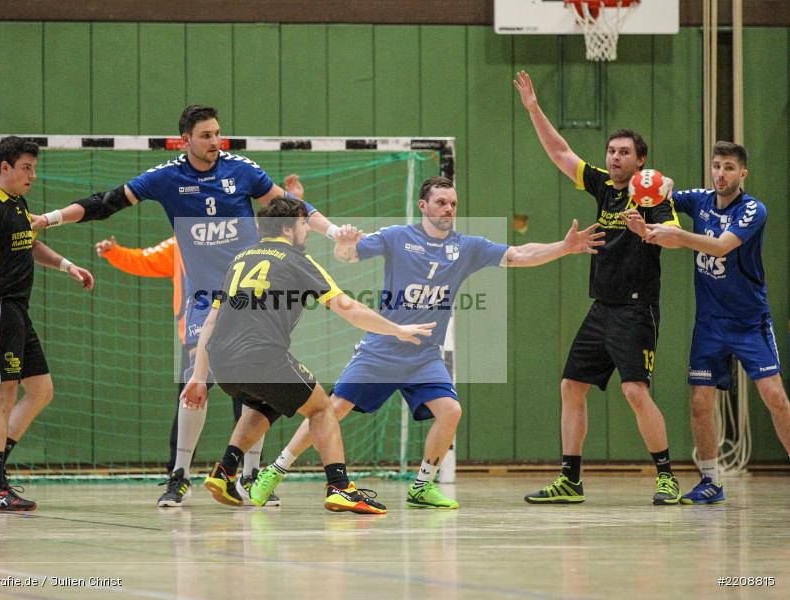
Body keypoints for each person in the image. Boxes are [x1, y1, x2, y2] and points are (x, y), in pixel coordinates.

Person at [32, 105, 344, 508]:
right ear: (185, 140)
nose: (215, 141)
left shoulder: (242, 171)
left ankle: (249, 476)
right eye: (206, 135)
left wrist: (335, 232)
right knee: (194, 381)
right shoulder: (166, 178)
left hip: (252, 296)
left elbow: (293, 207)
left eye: (217, 133)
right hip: (204, 299)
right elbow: (106, 202)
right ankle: (179, 476)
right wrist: (50, 219)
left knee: (258, 386)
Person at [251, 176, 605, 509]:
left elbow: (520, 254)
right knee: (333, 409)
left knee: (450, 411)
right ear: (423, 205)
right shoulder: (397, 237)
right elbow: (349, 254)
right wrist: (343, 245)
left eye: (453, 203)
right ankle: (276, 470)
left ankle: (422, 487)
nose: (448, 209)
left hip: (424, 354)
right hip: (382, 348)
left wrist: (565, 247)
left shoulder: (467, 247)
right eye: (441, 202)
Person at [182, 197, 436, 514]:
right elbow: (349, 308)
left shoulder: (240, 259)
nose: (307, 231)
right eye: (305, 224)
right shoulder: (297, 260)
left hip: (221, 362)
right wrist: (396, 329)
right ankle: (340, 487)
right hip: (262, 357)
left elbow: (210, 321)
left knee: (267, 402)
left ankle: (224, 471)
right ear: (289, 229)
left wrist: (199, 376)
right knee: (321, 409)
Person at [513, 70, 683, 505]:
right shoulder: (604, 186)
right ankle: (570, 480)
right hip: (602, 307)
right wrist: (534, 108)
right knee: (571, 385)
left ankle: (666, 477)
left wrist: (647, 231)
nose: (615, 157)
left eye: (624, 152)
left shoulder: (654, 195)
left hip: (636, 308)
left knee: (634, 390)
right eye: (611, 151)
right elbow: (560, 152)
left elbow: (674, 238)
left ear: (640, 161)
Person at [635, 141, 790, 504]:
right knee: (700, 401)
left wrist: (679, 237)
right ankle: (710, 481)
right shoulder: (701, 200)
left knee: (775, 397)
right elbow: (664, 194)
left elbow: (720, 246)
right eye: (717, 166)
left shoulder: (753, 210)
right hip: (709, 323)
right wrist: (660, 183)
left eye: (729, 168)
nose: (721, 174)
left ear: (742, 173)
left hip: (748, 321)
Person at [95, 233, 279, 506]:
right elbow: (146, 260)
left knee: (252, 399)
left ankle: (249, 475)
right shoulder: (181, 243)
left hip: (243, 327)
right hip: (198, 331)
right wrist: (115, 252)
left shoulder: (244, 238)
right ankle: (179, 474)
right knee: (191, 395)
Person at [0, 136, 95, 512]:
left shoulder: (17, 203)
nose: (32, 175)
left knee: (40, 390)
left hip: (17, 311)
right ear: (4, 167)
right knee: (2, 395)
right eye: (26, 168)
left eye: (34, 168)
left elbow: (31, 243)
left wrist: (67, 265)